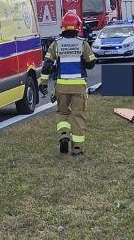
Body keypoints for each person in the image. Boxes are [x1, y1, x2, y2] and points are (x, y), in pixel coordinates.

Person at [41, 11, 95, 156]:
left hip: (61, 87)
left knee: (62, 113)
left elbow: (47, 65)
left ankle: (64, 134)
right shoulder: (82, 43)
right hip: (79, 87)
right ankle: (77, 148)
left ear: (63, 27)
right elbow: (91, 64)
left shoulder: (55, 44)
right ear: (77, 26)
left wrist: (43, 83)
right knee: (78, 115)